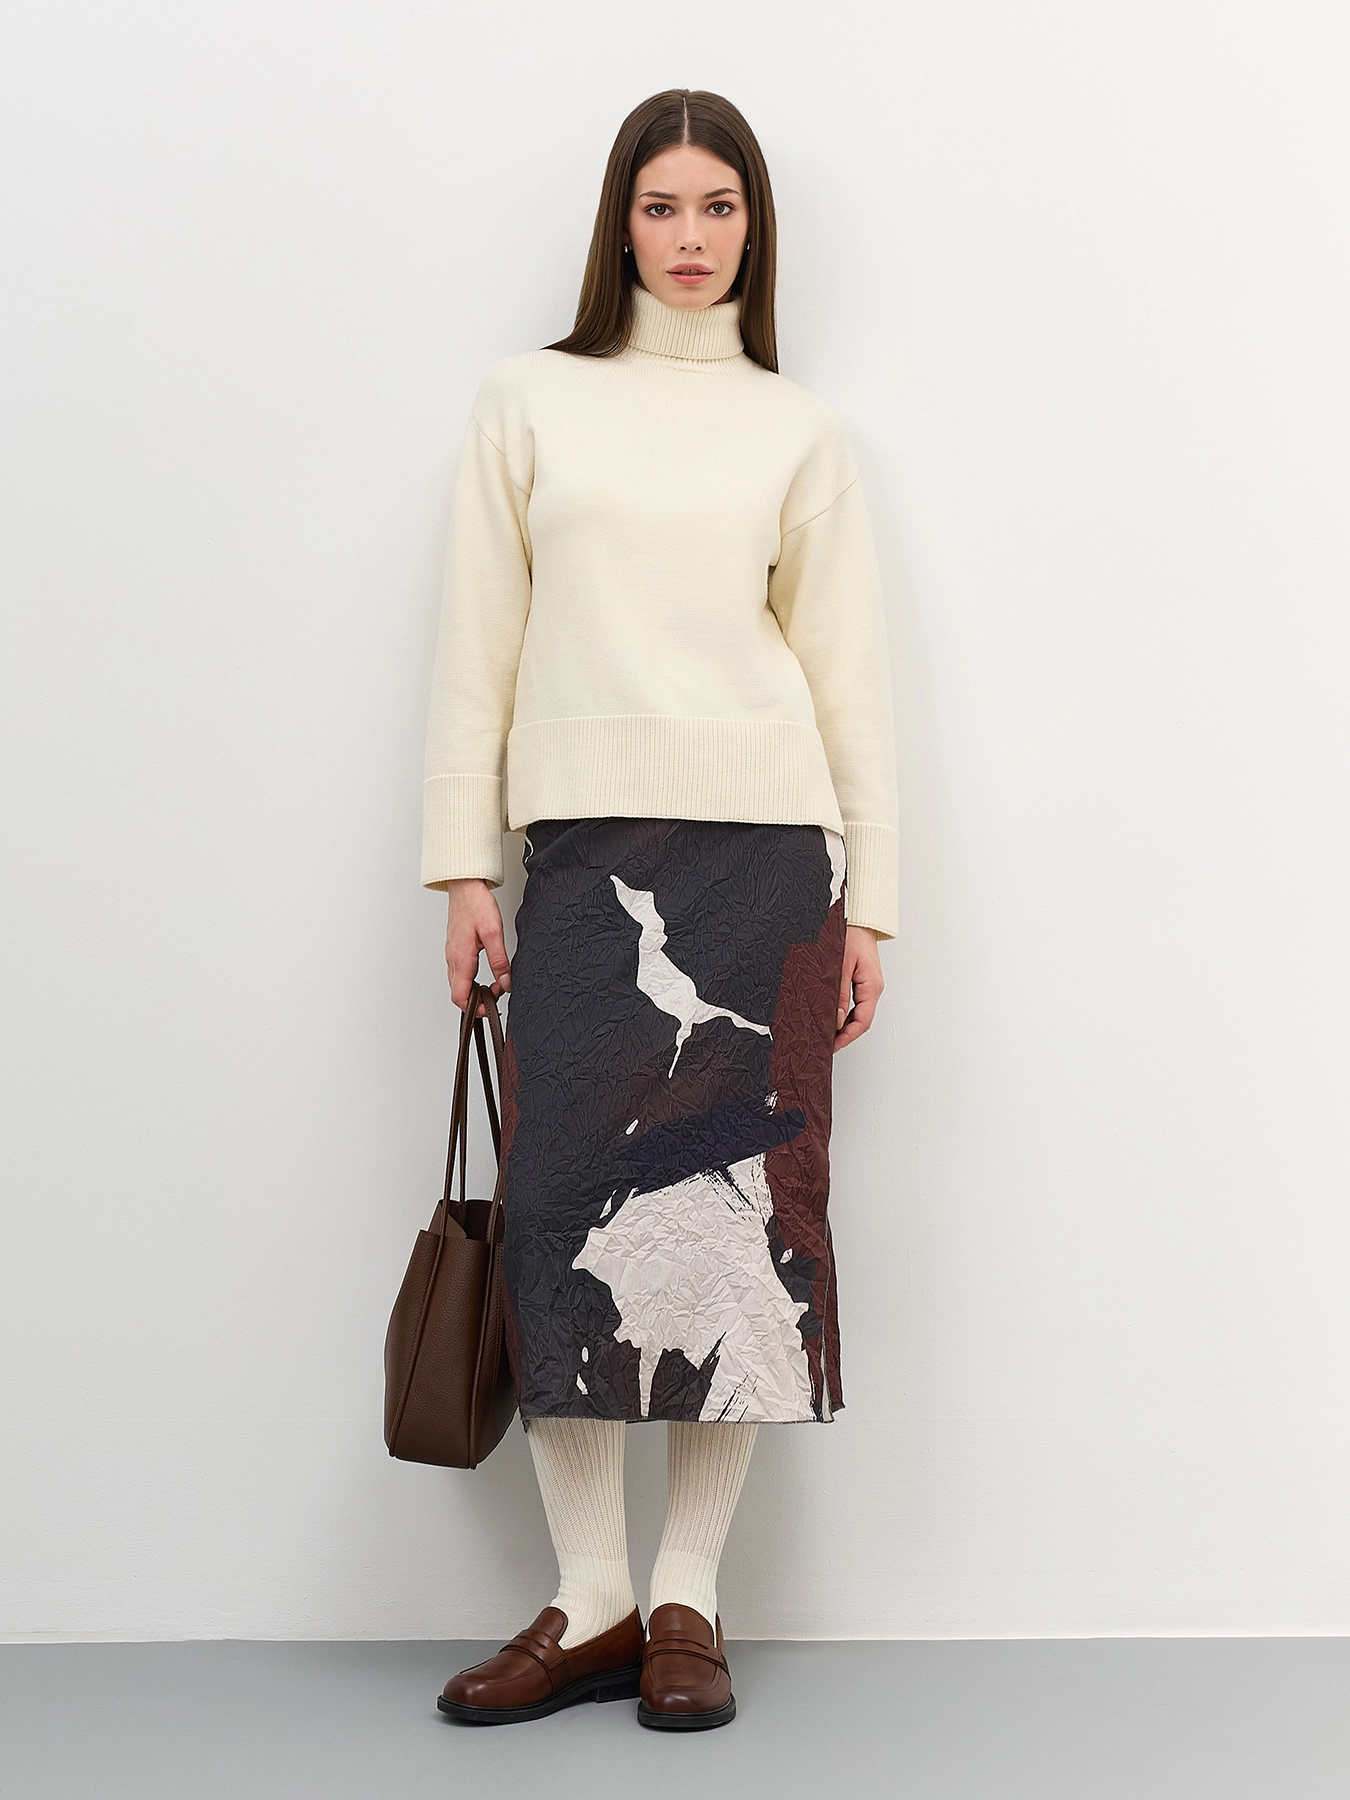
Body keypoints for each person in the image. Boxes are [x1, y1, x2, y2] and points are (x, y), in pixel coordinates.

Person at [422, 88, 899, 1730]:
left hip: (767, 859)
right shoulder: (527, 399)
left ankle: (687, 1593)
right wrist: (463, 863)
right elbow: (477, 640)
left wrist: (873, 904)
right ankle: (591, 1595)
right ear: (617, 225)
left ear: (753, 227)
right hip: (582, 852)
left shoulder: (796, 430)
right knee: (562, 1213)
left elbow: (848, 681)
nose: (689, 238)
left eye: (718, 207)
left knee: (741, 1222)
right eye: (660, 206)